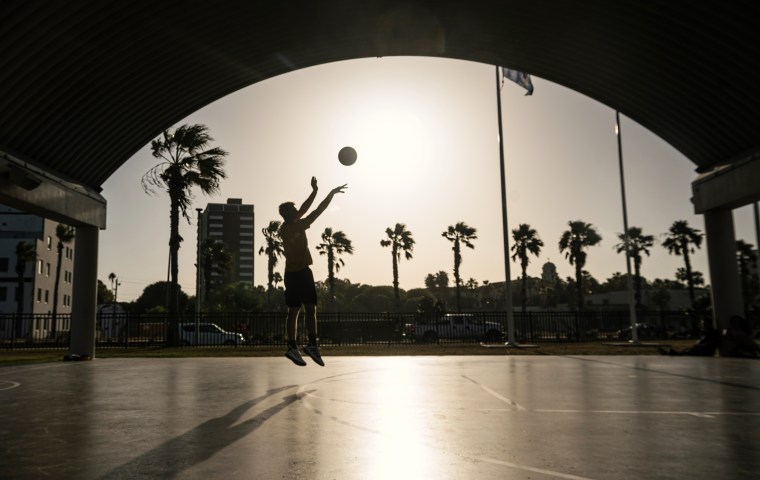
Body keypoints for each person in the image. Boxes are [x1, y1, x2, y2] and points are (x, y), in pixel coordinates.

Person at [278, 177, 347, 366]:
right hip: (301, 273)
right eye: (295, 211)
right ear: (292, 215)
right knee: (309, 309)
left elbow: (304, 208)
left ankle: (294, 346)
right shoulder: (297, 225)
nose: (299, 212)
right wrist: (328, 194)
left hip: (291, 274)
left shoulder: (283, 227)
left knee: (294, 311)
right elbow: (316, 210)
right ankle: (311, 344)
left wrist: (315, 191)